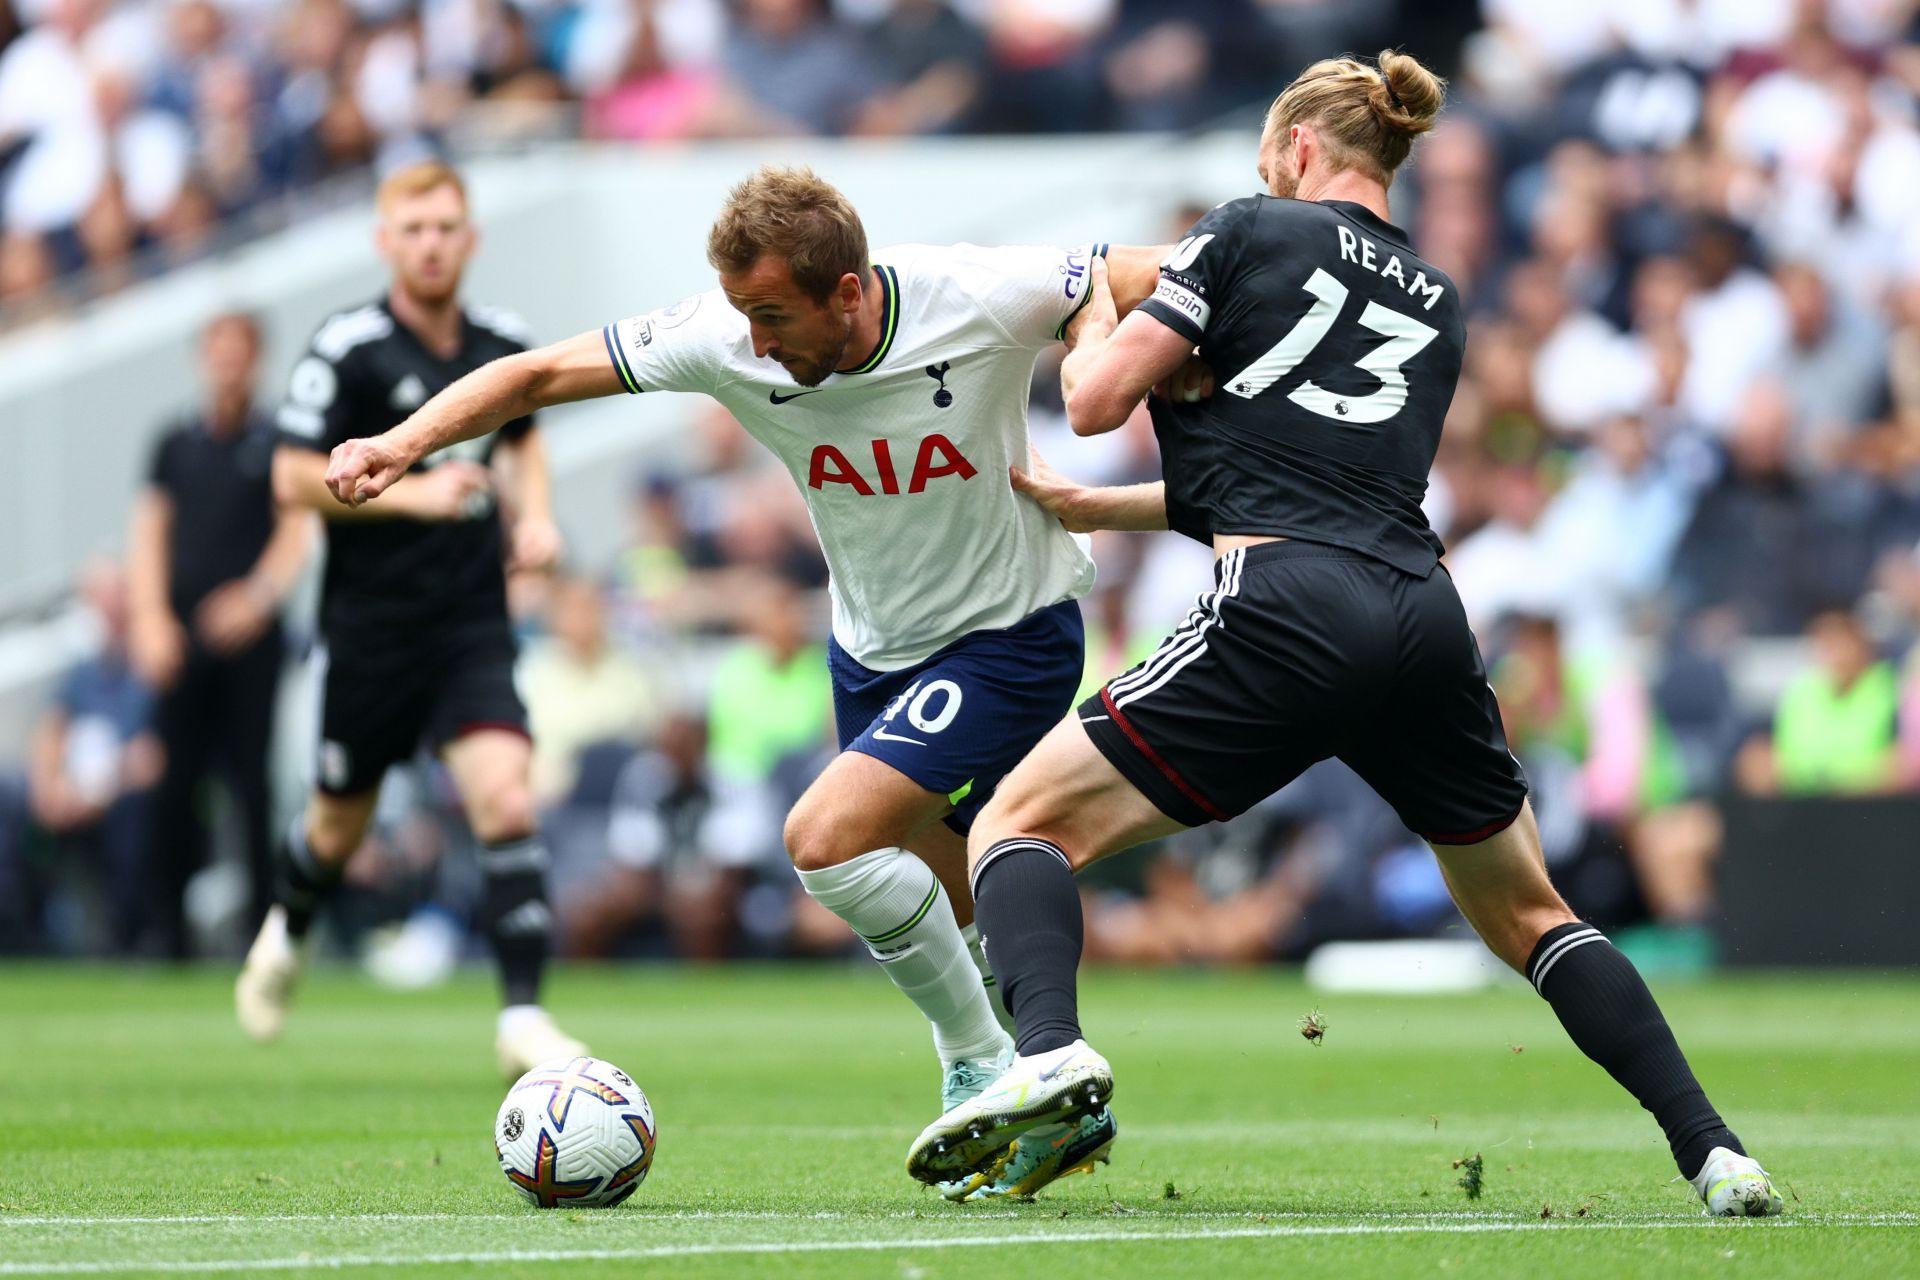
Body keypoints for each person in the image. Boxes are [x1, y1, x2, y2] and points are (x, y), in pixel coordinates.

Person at [906, 52, 1784, 1219]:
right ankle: (1717, 1152)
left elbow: (1094, 401)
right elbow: (1314, 473)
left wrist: (1090, 307)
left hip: (1281, 607)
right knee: (1531, 912)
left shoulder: (1246, 227)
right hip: (1420, 611)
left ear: (1299, 151)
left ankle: (1050, 1052)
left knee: (1017, 820)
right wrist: (1107, 507)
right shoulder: (1439, 295)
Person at [322, 164, 1169, 1200]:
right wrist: (401, 442)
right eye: (742, 316)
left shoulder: (971, 291)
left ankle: (989, 1067)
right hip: (872, 654)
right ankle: (1045, 1088)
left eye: (773, 315)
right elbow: (536, 375)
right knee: (947, 899)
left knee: (823, 840)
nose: (755, 344)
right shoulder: (727, 334)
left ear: (849, 292)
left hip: (1012, 633)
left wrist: (1099, 343)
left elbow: (1136, 273)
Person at [234, 161, 586, 1078]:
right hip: (371, 633)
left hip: (468, 625)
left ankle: (522, 1017)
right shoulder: (348, 346)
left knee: (506, 796)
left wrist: (537, 516)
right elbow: (289, 477)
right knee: (334, 828)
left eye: (446, 227)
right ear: (386, 241)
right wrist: (418, 496)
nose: (431, 243)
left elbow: (523, 438)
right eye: (414, 228)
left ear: (468, 239)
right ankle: (290, 924)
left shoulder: (501, 340)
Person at [128, 312, 313, 958]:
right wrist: (150, 617)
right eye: (219, 353)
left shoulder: (280, 437)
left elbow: (297, 526)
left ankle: (264, 936)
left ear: (257, 360)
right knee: (174, 784)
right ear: (204, 359)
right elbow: (150, 532)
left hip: (251, 642)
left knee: (253, 786)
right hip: (179, 637)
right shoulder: (174, 442)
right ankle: (164, 933)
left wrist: (258, 597)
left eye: (240, 353)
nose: (229, 364)